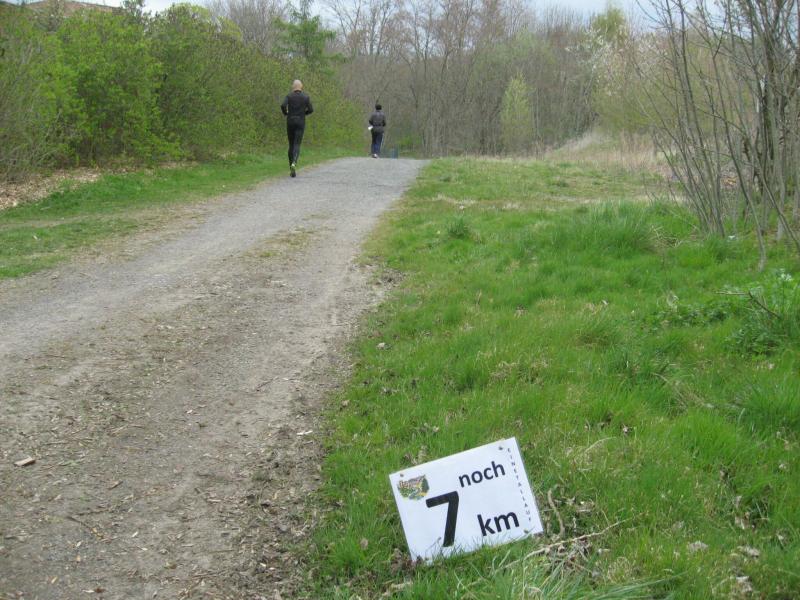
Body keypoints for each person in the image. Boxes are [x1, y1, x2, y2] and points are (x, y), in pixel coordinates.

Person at [280, 80, 313, 178]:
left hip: (290, 122)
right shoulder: (305, 97)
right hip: (300, 123)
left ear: (293, 87)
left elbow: (283, 105)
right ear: (301, 87)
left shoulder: (289, 96)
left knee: (291, 145)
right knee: (297, 144)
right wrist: (304, 114)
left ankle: (291, 168)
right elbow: (311, 110)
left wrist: (286, 113)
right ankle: (294, 162)